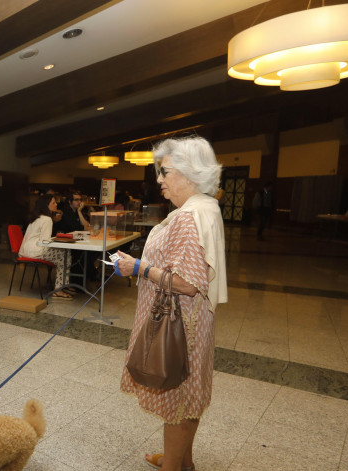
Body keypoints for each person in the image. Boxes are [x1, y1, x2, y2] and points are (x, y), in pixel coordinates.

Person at [113, 137, 227, 471]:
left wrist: (138, 268)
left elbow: (189, 285)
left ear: (190, 174)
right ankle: (182, 460)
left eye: (165, 172)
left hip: (179, 325)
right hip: (196, 322)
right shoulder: (206, 207)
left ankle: (172, 466)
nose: (159, 179)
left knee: (177, 398)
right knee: (189, 396)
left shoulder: (186, 217)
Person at [19, 194, 71, 300]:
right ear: (46, 205)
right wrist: (57, 241)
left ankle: (61, 287)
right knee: (65, 255)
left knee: (62, 253)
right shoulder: (47, 219)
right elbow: (45, 242)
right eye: (53, 203)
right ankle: (59, 290)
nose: (56, 204)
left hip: (25, 250)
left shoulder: (36, 218)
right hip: (36, 250)